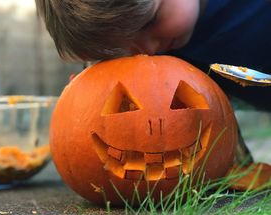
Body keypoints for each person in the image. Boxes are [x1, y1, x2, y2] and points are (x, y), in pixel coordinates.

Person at [36, 0, 271, 189]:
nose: (147, 48)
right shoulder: (166, 45)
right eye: (121, 51)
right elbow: (212, 119)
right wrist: (91, 91)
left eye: (150, 22)